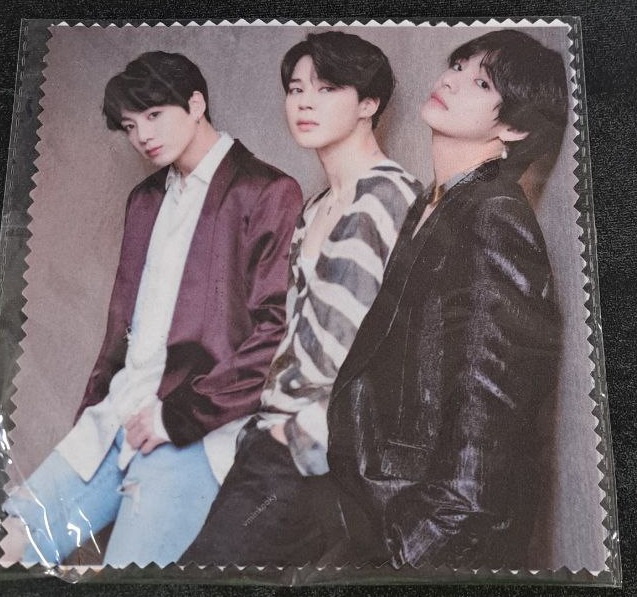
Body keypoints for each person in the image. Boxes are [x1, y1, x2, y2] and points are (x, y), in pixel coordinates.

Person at [1, 51, 302, 567]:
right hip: (117, 416)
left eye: (154, 115)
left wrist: (179, 416)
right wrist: (92, 413)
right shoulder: (145, 200)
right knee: (11, 547)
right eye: (129, 125)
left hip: (197, 431)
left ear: (196, 104)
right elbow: (122, 330)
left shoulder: (266, 191)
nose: (142, 136)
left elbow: (276, 333)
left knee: (127, 576)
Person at [325, 29, 569, 569]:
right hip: (371, 507)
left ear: (514, 126)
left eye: (481, 83)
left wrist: (408, 552)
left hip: (421, 538)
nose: (451, 81)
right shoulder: (433, 204)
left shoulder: (494, 216)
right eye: (458, 66)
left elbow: (486, 436)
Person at [180, 31, 424, 565]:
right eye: (296, 89)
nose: (305, 102)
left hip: (317, 453)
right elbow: (295, 335)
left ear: (368, 103)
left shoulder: (386, 195)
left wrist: (286, 433)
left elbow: (358, 350)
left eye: (327, 88)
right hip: (275, 441)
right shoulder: (316, 207)